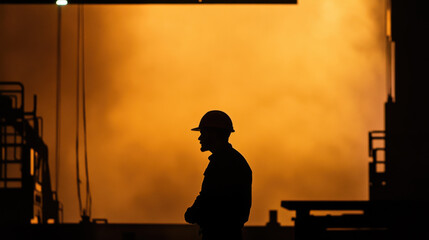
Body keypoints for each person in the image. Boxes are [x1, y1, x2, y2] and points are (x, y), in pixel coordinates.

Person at [185, 110, 252, 240]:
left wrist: (192, 214)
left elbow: (210, 199)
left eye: (202, 133)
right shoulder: (234, 161)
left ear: (213, 134)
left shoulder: (222, 164)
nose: (199, 138)